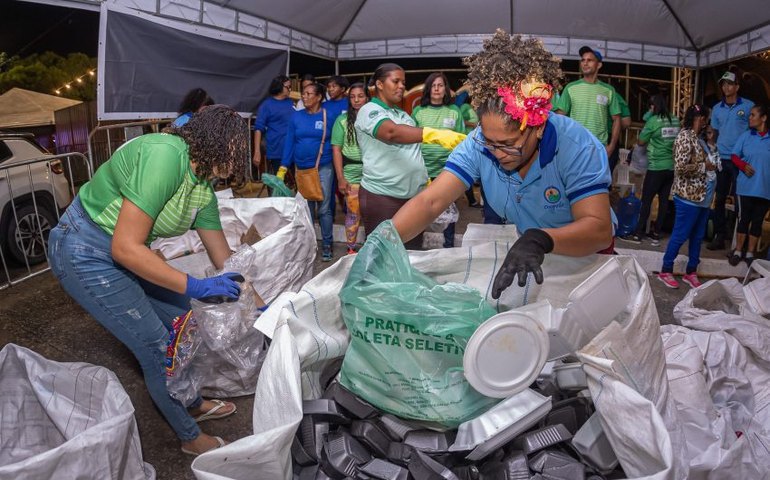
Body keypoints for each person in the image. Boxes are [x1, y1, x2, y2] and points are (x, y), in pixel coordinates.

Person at [48, 105, 255, 456]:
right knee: (158, 348)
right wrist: (197, 286)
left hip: (126, 250)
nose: (240, 159)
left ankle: (189, 400)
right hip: (84, 250)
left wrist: (263, 308)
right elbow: (126, 248)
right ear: (216, 141)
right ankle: (189, 436)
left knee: (183, 323)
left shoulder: (202, 187)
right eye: (237, 148)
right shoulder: (166, 155)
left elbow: (226, 261)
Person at [392, 30, 614, 297]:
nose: (498, 153)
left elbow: (599, 228)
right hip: (531, 255)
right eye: (490, 142)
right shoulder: (478, 143)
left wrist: (541, 239)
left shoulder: (577, 147)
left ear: (538, 127)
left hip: (587, 260)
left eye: (509, 144)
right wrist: (384, 243)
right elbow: (430, 202)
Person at [354, 63, 466, 250]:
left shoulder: (403, 115)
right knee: (385, 254)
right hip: (383, 197)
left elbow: (413, 151)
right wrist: (434, 134)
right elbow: (390, 132)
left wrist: (425, 180)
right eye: (395, 81)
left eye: (403, 82)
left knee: (412, 254)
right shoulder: (370, 110)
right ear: (380, 84)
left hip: (413, 198)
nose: (401, 86)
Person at [657, 104, 718, 289]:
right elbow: (680, 168)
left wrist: (712, 144)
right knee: (680, 234)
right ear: (698, 118)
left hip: (703, 198)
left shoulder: (700, 140)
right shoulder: (685, 137)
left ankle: (691, 272)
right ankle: (665, 270)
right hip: (687, 197)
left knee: (697, 237)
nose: (706, 122)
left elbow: (716, 164)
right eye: (704, 118)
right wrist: (702, 167)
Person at [277, 83, 335, 261]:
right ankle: (310, 244)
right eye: (304, 93)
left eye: (310, 94)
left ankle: (327, 244)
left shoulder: (328, 116)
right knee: (306, 208)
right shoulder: (296, 117)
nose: (305, 96)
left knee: (324, 208)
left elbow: (336, 144)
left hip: (323, 167)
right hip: (301, 169)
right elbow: (290, 142)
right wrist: (283, 166)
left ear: (319, 97)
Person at [412, 72, 466, 247]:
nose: (436, 89)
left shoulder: (454, 111)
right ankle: (416, 243)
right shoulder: (418, 112)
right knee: (419, 208)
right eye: (433, 85)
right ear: (428, 89)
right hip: (422, 169)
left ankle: (448, 245)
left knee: (447, 208)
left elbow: (461, 140)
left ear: (446, 90)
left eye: (440, 85)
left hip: (447, 169)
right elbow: (410, 139)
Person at [620, 94, 680, 246]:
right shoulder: (675, 120)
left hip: (655, 167)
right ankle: (656, 234)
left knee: (646, 201)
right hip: (670, 167)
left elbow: (640, 142)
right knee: (664, 201)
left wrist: (648, 122)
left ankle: (638, 234)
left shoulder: (653, 121)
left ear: (653, 106)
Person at [708, 69, 755, 250]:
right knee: (719, 199)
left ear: (737, 86)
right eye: (723, 83)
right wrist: (711, 152)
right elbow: (714, 133)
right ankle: (720, 235)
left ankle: (737, 239)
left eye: (729, 83)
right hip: (721, 158)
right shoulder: (717, 108)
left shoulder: (748, 106)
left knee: (739, 201)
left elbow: (754, 131)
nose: (726, 87)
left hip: (739, 160)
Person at [554, 46, 622, 161]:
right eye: (583, 60)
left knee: (596, 179)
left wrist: (611, 147)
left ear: (599, 65)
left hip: (598, 148)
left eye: (589, 60)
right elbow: (559, 117)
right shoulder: (571, 87)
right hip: (574, 146)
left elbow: (617, 119)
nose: (585, 63)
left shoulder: (608, 90)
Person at [728, 104, 770, 266]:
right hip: (746, 187)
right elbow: (734, 156)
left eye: (753, 115)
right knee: (744, 219)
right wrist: (743, 166)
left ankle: (750, 253)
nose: (750, 118)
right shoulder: (746, 136)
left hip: (765, 189)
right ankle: (738, 251)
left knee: (757, 221)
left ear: (763, 118)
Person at [332, 82, 369, 254]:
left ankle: (372, 250)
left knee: (372, 215)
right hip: (351, 176)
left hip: (374, 175)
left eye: (360, 96)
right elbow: (337, 150)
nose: (356, 100)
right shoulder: (342, 121)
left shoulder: (374, 119)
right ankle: (351, 250)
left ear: (367, 97)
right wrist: (340, 177)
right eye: (352, 97)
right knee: (353, 215)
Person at [252, 75, 295, 175]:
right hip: (276, 151)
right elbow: (258, 129)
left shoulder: (292, 103)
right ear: (279, 87)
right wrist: (257, 151)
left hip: (293, 150)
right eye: (288, 87)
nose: (290, 89)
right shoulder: (267, 105)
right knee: (277, 184)